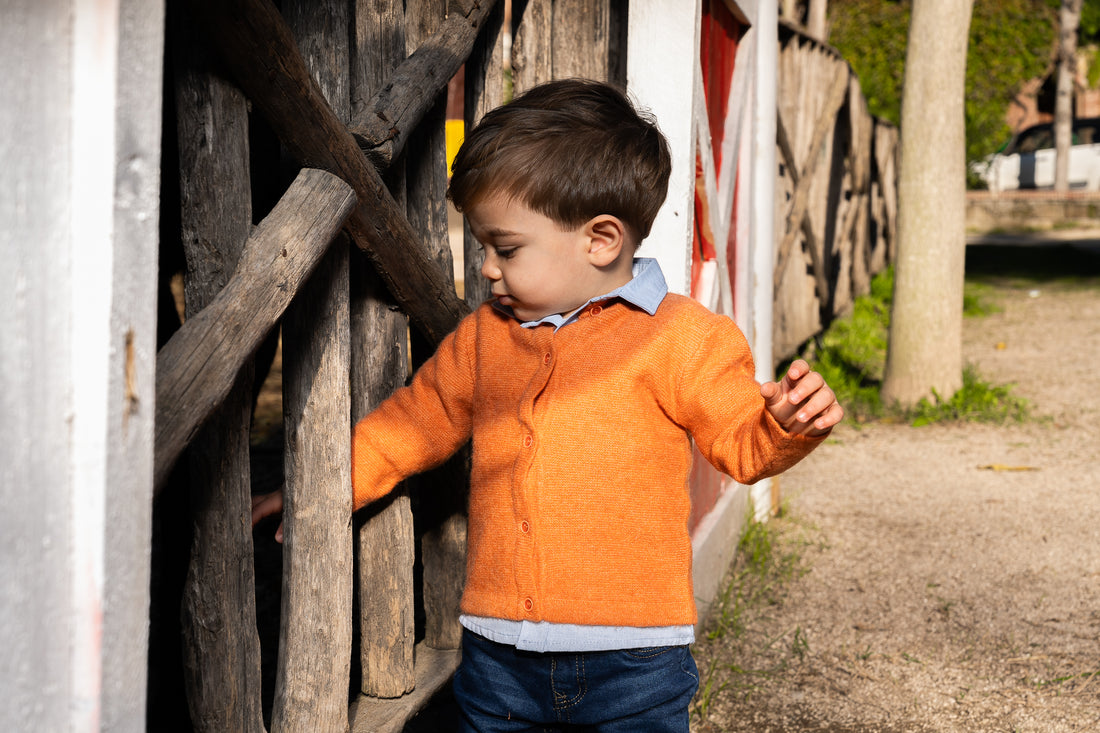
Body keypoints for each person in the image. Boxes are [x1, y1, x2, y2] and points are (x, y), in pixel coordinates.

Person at [252, 78, 843, 732]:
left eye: (505, 248)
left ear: (600, 241)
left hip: (636, 661)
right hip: (497, 656)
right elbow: (413, 423)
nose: (486, 268)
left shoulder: (686, 337)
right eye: (482, 246)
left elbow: (743, 440)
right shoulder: (484, 337)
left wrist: (784, 424)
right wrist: (324, 487)